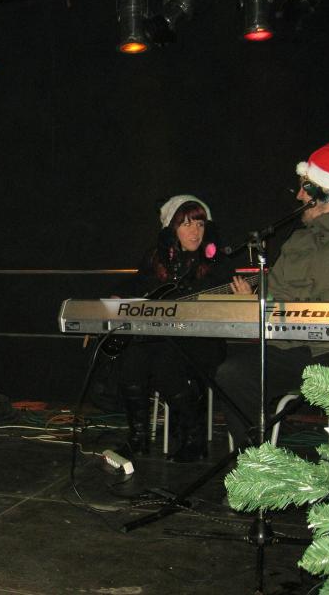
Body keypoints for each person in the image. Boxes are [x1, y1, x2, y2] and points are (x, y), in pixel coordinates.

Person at [221, 137, 329, 448]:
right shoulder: (298, 240)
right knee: (233, 374)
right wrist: (254, 304)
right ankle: (257, 465)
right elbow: (276, 296)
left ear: (324, 192)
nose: (299, 195)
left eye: (305, 188)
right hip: (291, 349)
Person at [111, 195, 235, 463]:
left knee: (163, 360)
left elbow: (219, 301)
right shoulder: (157, 259)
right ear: (172, 229)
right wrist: (117, 296)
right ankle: (138, 437)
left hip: (203, 340)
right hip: (165, 338)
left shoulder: (217, 260)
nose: (195, 231)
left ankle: (194, 436)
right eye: (186, 224)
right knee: (132, 355)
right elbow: (136, 284)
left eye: (200, 224)